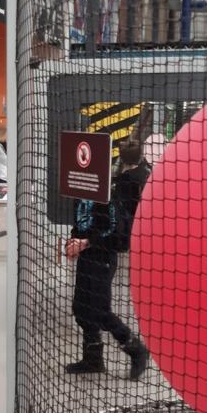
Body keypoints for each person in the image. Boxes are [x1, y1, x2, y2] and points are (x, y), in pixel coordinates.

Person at [65, 137, 149, 380]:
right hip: (86, 256)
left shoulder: (109, 194)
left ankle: (136, 349)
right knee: (81, 309)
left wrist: (86, 242)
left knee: (100, 311)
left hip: (102, 256)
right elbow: (81, 221)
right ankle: (93, 358)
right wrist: (73, 241)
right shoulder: (81, 190)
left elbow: (117, 234)